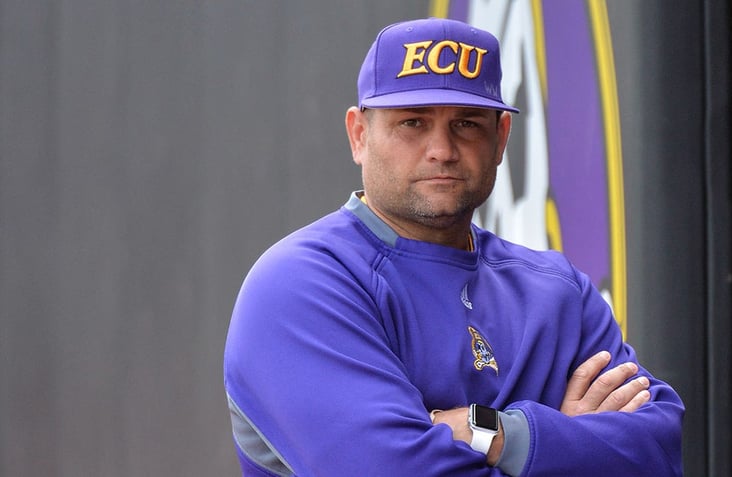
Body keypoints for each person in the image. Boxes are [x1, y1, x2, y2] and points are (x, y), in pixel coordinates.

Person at [224, 17, 684, 477]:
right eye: (412, 122)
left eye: (466, 123)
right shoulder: (302, 283)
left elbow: (658, 453)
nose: (441, 149)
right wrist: (568, 445)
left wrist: (493, 433)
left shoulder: (559, 290)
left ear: (500, 138)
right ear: (359, 135)